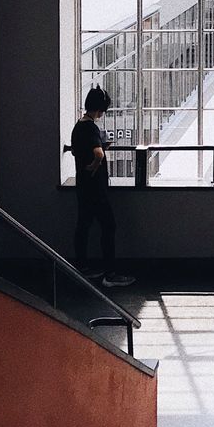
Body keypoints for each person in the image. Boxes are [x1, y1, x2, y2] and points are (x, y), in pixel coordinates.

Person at [70, 86, 134, 287]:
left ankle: (81, 268)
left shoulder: (78, 126)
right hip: (95, 189)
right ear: (100, 109)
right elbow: (98, 154)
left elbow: (80, 151)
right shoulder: (90, 127)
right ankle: (110, 274)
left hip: (83, 186)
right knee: (109, 226)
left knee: (84, 226)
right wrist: (96, 163)